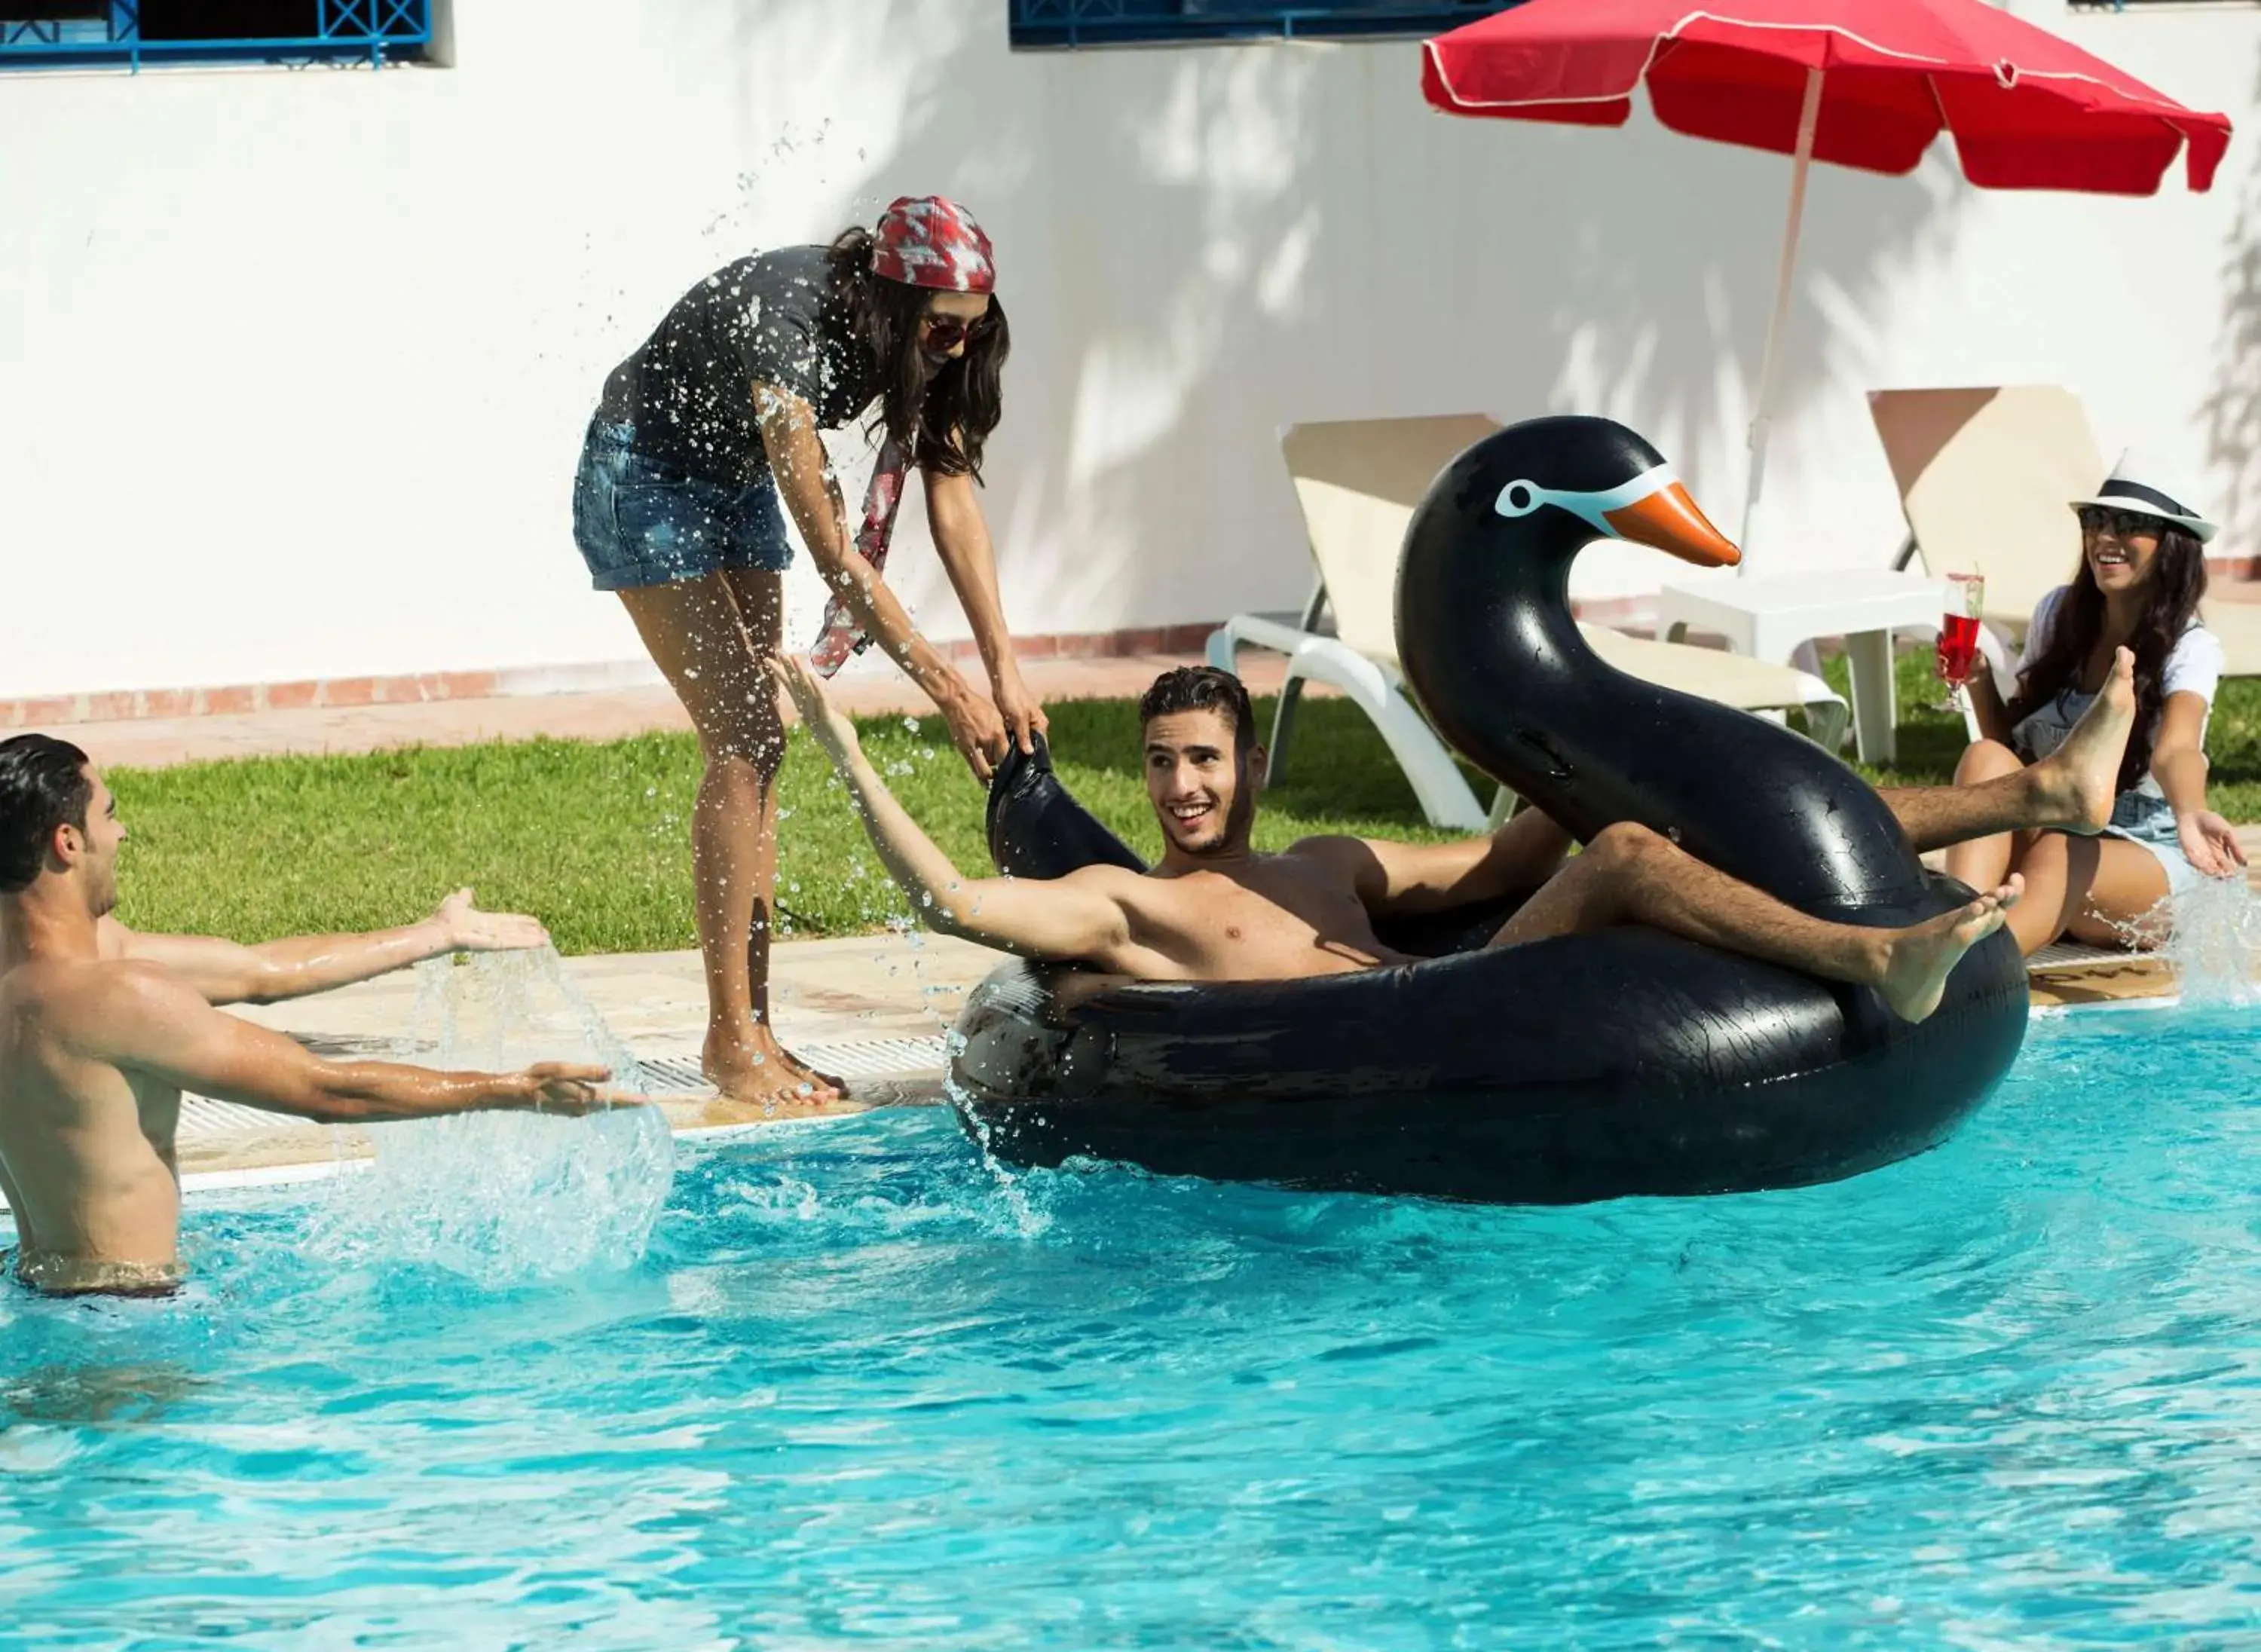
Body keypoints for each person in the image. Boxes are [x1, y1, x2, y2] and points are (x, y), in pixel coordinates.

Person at [772, 650, 2151, 1022]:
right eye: (1159, 767)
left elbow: (1497, 873)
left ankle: (2033, 800)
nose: (1181, 789)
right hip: (1425, 1025)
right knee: (1620, 858)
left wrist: (1556, 749)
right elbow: (956, 897)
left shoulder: (1324, 864)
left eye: (1201, 762)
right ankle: (1872, 961)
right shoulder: (1126, 905)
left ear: (1247, 765)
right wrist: (843, 749)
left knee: (1648, 812)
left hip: (1456, 988)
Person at [573, 194, 1048, 1108]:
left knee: (762, 748)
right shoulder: (787, 319)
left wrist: (1004, 672)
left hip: (732, 471)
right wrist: (948, 692)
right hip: (645, 470)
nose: (956, 348)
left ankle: (753, 1032)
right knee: (746, 736)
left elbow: (951, 497)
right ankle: (729, 1042)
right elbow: (837, 552)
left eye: (971, 332)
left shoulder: (939, 342)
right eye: (941, 332)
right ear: (892, 303)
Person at [0, 734, 644, 1299]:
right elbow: (326, 1090)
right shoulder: (120, 997)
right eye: (108, 815)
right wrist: (515, 1089)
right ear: (68, 841)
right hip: (131, 1321)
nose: (122, 833)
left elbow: (262, 972)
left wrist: (436, 934)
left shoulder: (44, 978)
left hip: (40, 1291)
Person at [1946, 454, 2248, 956]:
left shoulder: (2190, 646)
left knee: (2063, 853)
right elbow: (2008, 757)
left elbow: (2176, 750)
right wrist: (1977, 682)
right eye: (2096, 520)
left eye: (2129, 524)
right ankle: (1960, 927)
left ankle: (1970, 971)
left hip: (2141, 853)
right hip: (2056, 826)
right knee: (1985, 759)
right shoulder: (2058, 614)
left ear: (2172, 544)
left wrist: (2192, 812)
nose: (2106, 536)